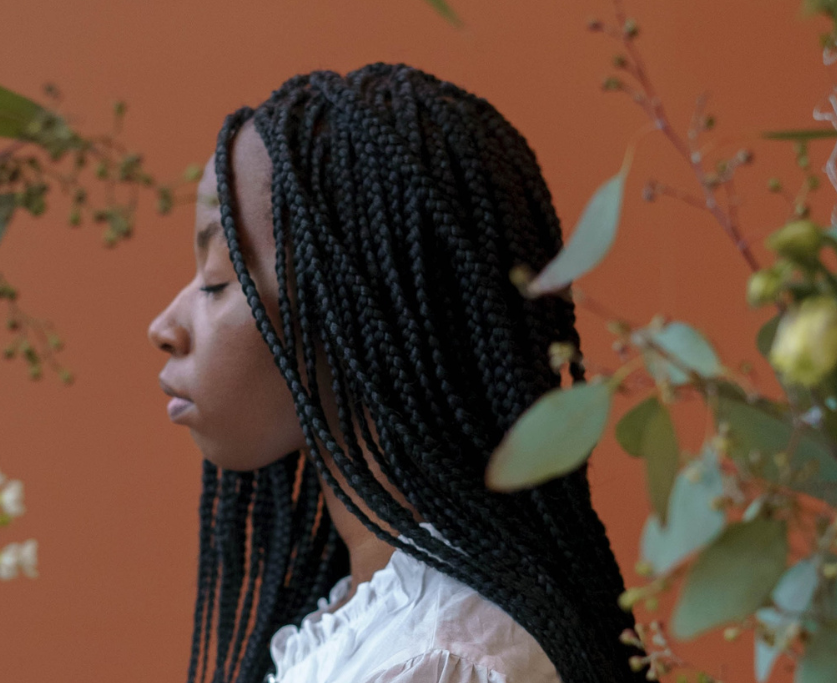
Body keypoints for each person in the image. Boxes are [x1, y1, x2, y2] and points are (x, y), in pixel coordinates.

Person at [148, 62, 646, 683]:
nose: (164, 326)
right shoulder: (370, 623)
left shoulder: (436, 662)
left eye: (220, 280)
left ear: (353, 306)